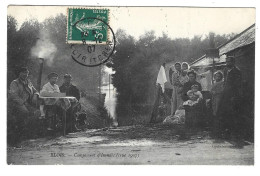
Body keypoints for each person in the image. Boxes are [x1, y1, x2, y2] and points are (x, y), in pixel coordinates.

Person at [8, 67, 40, 145]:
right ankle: (17, 139)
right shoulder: (15, 82)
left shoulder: (28, 82)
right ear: (19, 73)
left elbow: (36, 91)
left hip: (27, 104)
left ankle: (29, 135)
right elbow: (13, 96)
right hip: (16, 104)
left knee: (37, 112)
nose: (25, 74)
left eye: (27, 73)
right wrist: (23, 103)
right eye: (23, 73)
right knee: (24, 112)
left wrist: (35, 95)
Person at [217, 56, 243, 140]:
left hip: (233, 96)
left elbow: (238, 85)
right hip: (225, 95)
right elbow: (225, 82)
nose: (227, 63)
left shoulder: (237, 72)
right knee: (224, 113)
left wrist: (234, 96)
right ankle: (226, 132)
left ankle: (234, 133)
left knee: (233, 114)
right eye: (226, 61)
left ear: (233, 62)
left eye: (229, 62)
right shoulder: (225, 70)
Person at [209, 71, 224, 137]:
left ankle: (218, 130)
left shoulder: (222, 83)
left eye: (219, 76)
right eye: (216, 76)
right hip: (214, 98)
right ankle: (215, 129)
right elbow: (211, 90)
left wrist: (216, 92)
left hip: (219, 98)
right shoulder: (214, 83)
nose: (217, 77)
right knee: (214, 111)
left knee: (217, 111)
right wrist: (212, 92)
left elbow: (222, 90)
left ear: (221, 77)